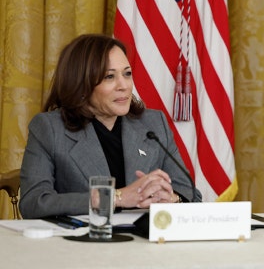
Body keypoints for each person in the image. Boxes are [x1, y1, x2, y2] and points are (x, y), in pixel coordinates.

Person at [19, 34, 202, 219]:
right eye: (109, 76)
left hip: (145, 243)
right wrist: (115, 197)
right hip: (83, 242)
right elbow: (34, 202)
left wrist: (172, 199)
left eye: (127, 73)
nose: (123, 85)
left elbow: (188, 192)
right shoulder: (50, 129)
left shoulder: (153, 124)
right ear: (82, 84)